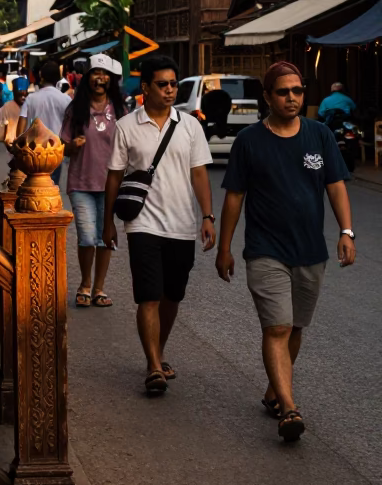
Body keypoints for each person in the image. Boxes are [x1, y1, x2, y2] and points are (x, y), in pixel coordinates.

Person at [214, 61, 355, 442]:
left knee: (295, 326)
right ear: (267, 97)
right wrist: (225, 248)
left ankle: (275, 389)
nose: (291, 97)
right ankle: (289, 408)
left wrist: (346, 231)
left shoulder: (320, 135)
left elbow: (336, 185)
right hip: (265, 250)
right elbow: (234, 198)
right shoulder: (249, 142)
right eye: (282, 92)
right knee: (276, 326)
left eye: (297, 90)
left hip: (311, 250)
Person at [103, 54, 215, 396]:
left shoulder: (190, 125)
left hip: (182, 224)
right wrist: (108, 221)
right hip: (142, 224)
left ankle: (159, 350)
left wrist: (208, 216)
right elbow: (114, 176)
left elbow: (199, 173)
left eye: (173, 84)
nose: (169, 90)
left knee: (172, 295)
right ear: (146, 87)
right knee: (148, 296)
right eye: (162, 84)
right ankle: (153, 366)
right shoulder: (126, 126)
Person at [61, 54, 124, 309]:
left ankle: (99, 287)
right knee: (87, 237)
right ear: (87, 78)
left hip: (111, 183)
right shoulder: (74, 109)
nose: (101, 78)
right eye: (96, 73)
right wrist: (71, 146)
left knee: (105, 238)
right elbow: (61, 146)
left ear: (111, 79)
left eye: (105, 74)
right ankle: (85, 284)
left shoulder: (120, 110)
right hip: (81, 182)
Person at [16, 59, 72, 185]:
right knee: (52, 186)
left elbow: (21, 123)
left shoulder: (31, 98)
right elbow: (72, 125)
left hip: (33, 150)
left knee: (34, 186)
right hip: (55, 150)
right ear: (58, 79)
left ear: (41, 76)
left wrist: (18, 146)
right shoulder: (65, 99)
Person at [0, 80, 28, 149]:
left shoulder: (30, 105)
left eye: (24, 95)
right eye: (20, 95)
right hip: (12, 143)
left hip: (27, 143)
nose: (23, 97)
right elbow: (3, 127)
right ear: (14, 93)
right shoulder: (6, 107)